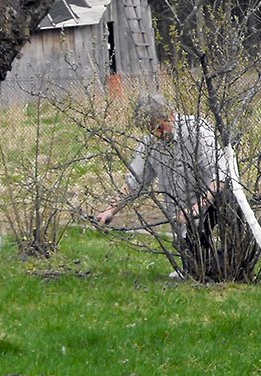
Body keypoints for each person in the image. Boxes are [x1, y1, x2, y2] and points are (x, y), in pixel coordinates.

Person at [95, 92, 231, 278]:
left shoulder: (197, 130)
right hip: (185, 221)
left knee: (226, 258)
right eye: (151, 130)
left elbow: (221, 176)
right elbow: (135, 181)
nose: (157, 134)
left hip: (214, 202)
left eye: (159, 127)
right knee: (197, 271)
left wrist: (196, 208)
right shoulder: (150, 144)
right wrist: (110, 211)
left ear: (171, 115)